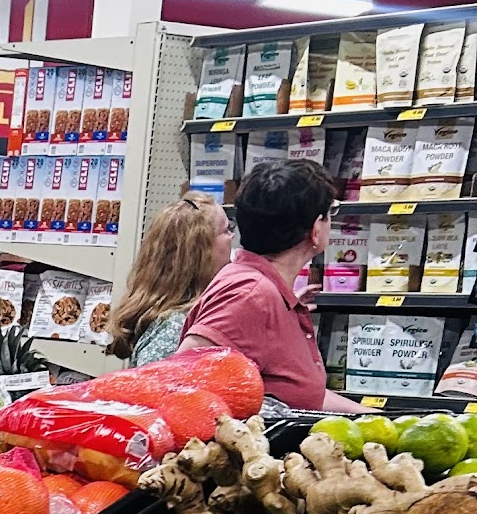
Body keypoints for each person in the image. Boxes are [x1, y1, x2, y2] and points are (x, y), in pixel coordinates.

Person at [177, 159, 361, 413]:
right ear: (315, 230)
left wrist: (384, 419)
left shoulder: (266, 292)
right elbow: (185, 386)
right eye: (330, 212)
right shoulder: (250, 295)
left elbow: (299, 396)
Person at [106, 192, 231, 364]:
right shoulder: (175, 328)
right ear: (201, 251)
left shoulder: (177, 317)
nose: (232, 236)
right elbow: (154, 381)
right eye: (226, 230)